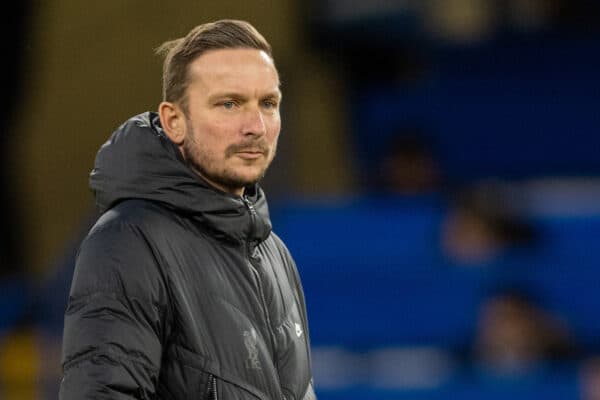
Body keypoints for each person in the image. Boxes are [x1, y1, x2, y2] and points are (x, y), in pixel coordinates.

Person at [59, 20, 316, 400]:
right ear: (174, 121)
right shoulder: (128, 242)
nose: (256, 126)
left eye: (268, 103)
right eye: (229, 104)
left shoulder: (276, 254)